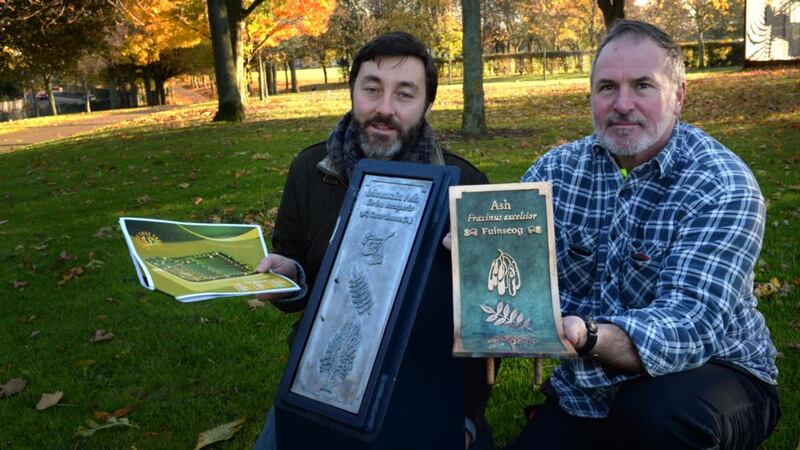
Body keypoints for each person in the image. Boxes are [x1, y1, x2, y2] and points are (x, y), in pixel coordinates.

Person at [507, 20, 781, 449]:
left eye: (642, 86)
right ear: (591, 95)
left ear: (679, 96)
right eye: (606, 88)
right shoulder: (554, 172)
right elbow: (506, 258)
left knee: (653, 418)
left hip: (718, 374)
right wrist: (474, 255)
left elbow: (692, 325)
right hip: (589, 390)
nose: (622, 104)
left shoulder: (721, 185)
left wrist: (588, 334)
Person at [252, 32, 494, 449]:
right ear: (352, 92)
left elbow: (487, 322)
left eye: (404, 94)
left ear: (426, 105)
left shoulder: (466, 187)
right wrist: (287, 275)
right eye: (371, 90)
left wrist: (466, 416)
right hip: (323, 379)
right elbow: (296, 267)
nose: (384, 109)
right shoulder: (311, 169)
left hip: (426, 375)